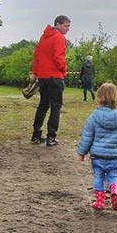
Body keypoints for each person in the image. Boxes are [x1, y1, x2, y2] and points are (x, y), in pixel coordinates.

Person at [77, 83, 117, 212]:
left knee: (98, 177)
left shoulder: (94, 116)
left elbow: (87, 136)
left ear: (99, 98)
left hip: (97, 156)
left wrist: (82, 152)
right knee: (113, 176)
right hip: (113, 156)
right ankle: (114, 191)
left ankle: (100, 202)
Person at [31, 15, 70, 146]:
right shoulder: (59, 37)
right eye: (66, 26)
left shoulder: (44, 37)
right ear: (58, 24)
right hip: (55, 76)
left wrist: (36, 72)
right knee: (56, 107)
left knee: (43, 105)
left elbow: (37, 56)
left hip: (43, 76)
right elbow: (58, 57)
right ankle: (51, 137)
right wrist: (64, 69)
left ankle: (36, 134)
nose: (67, 29)